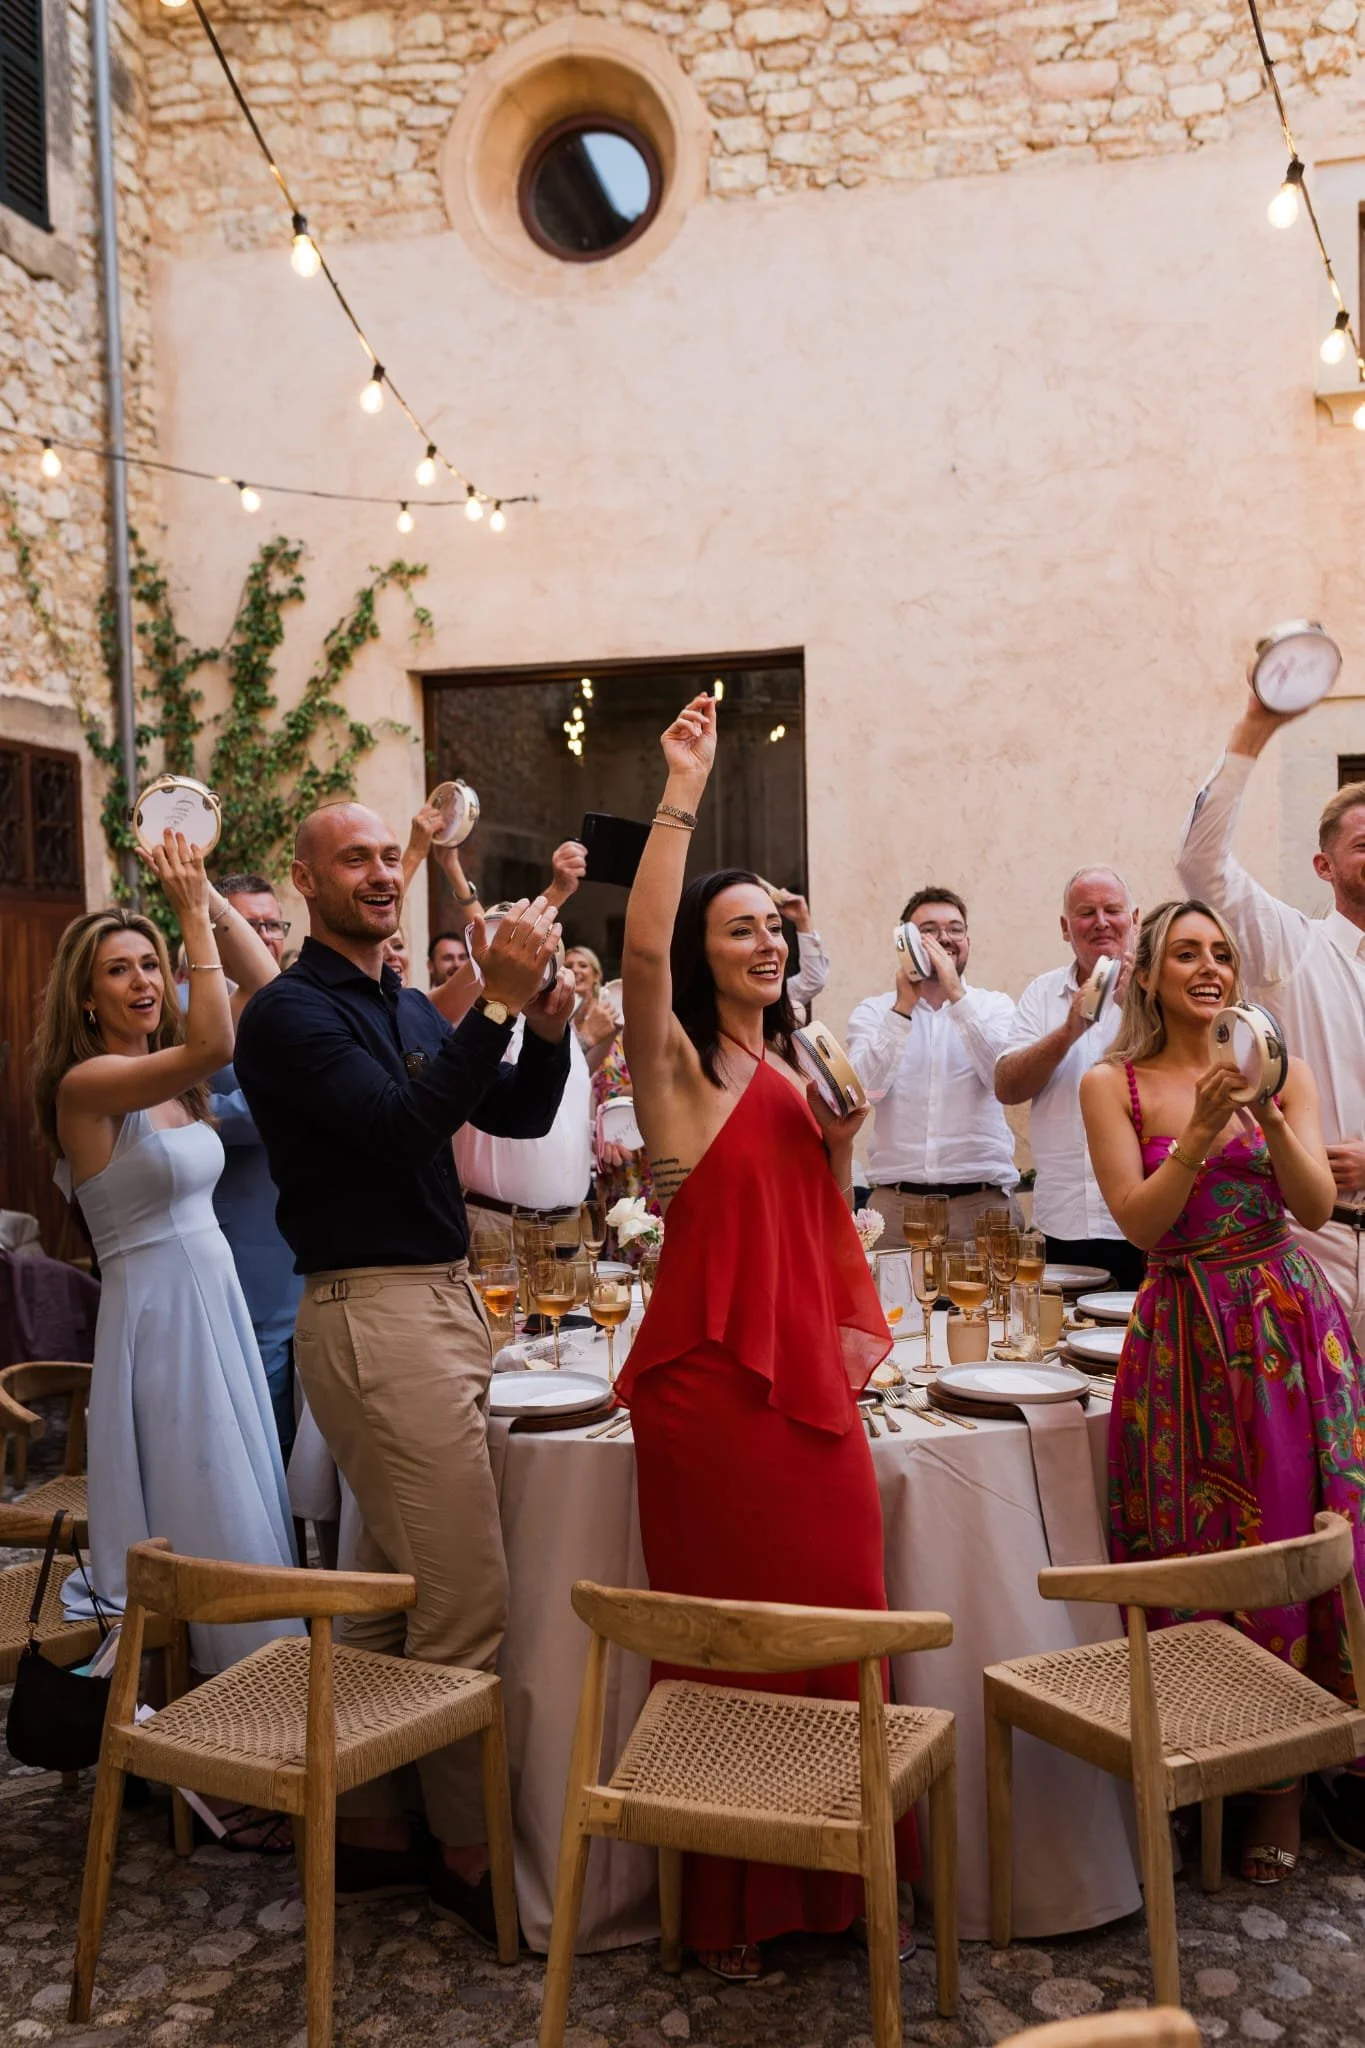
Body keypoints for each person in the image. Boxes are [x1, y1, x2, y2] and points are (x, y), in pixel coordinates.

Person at [614, 693, 913, 1978]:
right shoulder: (677, 1068)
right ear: (704, 949)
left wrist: (842, 1154)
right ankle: (728, 1910)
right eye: (739, 930)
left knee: (843, 1613)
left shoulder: (803, 1069)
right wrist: (683, 788)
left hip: (809, 1388)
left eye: (777, 928)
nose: (766, 945)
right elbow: (632, 959)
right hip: (712, 1396)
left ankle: (836, 1889)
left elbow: (810, 1229)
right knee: (730, 1644)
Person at [233, 801, 571, 1934]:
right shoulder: (287, 1014)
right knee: (467, 1597)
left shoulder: (400, 999)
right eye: (357, 859)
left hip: (434, 1303)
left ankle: (372, 1826)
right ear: (306, 879)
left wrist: (555, 1025)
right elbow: (395, 1129)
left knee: (391, 1593)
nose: (382, 874)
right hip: (375, 1313)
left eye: (391, 856)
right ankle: (468, 1853)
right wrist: (502, 1000)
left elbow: (511, 1108)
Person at [1080, 898, 1365, 1882]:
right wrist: (1199, 1129)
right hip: (1183, 1334)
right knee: (1191, 1543)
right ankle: (1195, 1768)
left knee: (1288, 1543)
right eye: (1186, 952)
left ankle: (1281, 1786)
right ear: (1150, 973)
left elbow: (1316, 1203)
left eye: (1222, 953)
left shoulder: (1285, 1068)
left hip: (1286, 1327)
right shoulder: (1109, 1082)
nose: (1209, 966)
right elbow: (1143, 1225)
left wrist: (1262, 1108)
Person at [30, 836, 297, 1686]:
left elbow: (275, 996)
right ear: (84, 998)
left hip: (213, 1299)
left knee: (244, 1491)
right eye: (119, 970)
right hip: (159, 1323)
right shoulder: (90, 1086)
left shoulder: (172, 1085)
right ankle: (223, 1708)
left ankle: (260, 1691)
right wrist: (185, 915)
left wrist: (209, 896)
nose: (144, 981)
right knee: (204, 1500)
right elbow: (215, 1043)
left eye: (152, 964)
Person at [1178, 691, 1365, 1349]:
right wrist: (1252, 731)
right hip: (1315, 1245)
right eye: (1364, 843)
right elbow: (1201, 865)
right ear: (1323, 866)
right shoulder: (1291, 948)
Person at [191, 872, 303, 1460]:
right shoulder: (184, 1008)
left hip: (313, 1251)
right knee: (263, 1439)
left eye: (271, 925)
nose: (263, 938)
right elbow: (187, 1108)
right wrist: (304, 1094)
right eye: (248, 925)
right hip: (246, 1253)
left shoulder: (301, 1004)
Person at [994, 867, 1144, 1288]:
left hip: (1144, 1223)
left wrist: (1144, 1006)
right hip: (1064, 1223)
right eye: (1086, 912)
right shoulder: (1042, 994)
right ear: (1065, 928)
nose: (1100, 922)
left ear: (1134, 918)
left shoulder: (1162, 991)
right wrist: (1068, 1030)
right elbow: (1007, 1087)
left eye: (1112, 910)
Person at [847, 889, 1019, 1246]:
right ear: (904, 943)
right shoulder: (874, 1012)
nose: (945, 938)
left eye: (955, 929)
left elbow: (1000, 1079)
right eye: (929, 929)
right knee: (892, 1305)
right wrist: (902, 1011)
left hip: (983, 1206)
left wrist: (958, 997)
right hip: (895, 1209)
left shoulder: (996, 1007)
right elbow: (865, 1092)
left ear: (967, 941)